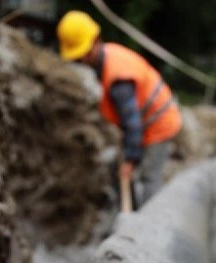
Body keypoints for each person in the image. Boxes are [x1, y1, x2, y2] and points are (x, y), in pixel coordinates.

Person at [56, 10, 182, 209]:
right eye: (78, 56)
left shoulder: (119, 80)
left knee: (149, 178)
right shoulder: (105, 60)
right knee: (120, 171)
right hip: (143, 121)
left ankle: (149, 224)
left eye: (85, 54)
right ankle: (128, 213)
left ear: (96, 40)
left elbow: (132, 123)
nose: (82, 60)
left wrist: (130, 160)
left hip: (159, 122)